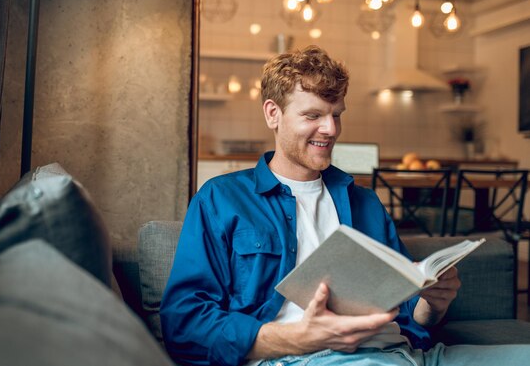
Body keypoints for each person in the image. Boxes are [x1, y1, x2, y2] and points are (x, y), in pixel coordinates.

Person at [160, 46, 530, 366]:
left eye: (336, 114)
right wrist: (299, 337)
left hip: (412, 355)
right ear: (273, 114)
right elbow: (185, 325)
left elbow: (407, 318)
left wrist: (431, 304)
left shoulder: (364, 201)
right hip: (305, 358)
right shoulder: (222, 198)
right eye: (313, 115)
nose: (331, 129)